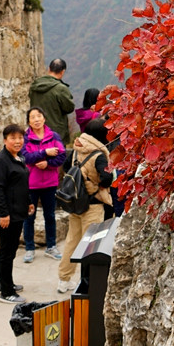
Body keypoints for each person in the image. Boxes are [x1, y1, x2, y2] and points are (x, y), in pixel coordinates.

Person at [57, 117, 114, 294]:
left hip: (76, 203)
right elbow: (107, 178)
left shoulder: (77, 149)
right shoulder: (98, 155)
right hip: (93, 205)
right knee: (91, 246)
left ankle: (63, 279)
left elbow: (66, 167)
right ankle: (87, 283)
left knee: (72, 241)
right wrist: (93, 186)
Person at [0, 123, 34, 304]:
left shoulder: (19, 157)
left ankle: (4, 282)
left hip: (18, 211)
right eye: (13, 138)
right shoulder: (1, 161)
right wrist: (3, 214)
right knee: (7, 252)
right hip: (7, 215)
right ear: (5, 140)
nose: (17, 141)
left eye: (20, 138)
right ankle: (6, 292)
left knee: (11, 249)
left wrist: (29, 202)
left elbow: (22, 184)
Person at [21, 107, 66, 262]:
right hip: (31, 183)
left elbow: (62, 156)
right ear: (29, 122)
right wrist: (45, 153)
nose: (37, 119)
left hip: (50, 182)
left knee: (50, 215)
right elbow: (25, 157)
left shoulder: (53, 136)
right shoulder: (26, 138)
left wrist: (47, 164)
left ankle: (51, 246)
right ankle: (29, 248)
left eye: (39, 116)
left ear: (44, 118)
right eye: (33, 117)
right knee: (29, 216)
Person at [29, 58, 75, 145]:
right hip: (56, 134)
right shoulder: (60, 88)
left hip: (36, 131)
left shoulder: (34, 86)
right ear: (62, 72)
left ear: (49, 68)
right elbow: (69, 108)